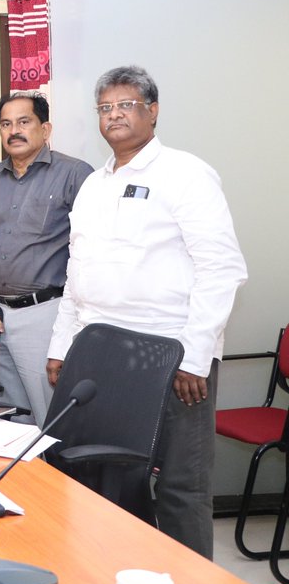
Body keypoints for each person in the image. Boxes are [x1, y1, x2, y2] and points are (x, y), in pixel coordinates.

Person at [46, 66, 246, 558]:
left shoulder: (185, 173)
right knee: (103, 474)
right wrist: (60, 347)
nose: (114, 115)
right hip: (101, 352)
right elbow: (78, 273)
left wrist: (195, 358)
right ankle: (116, 573)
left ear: (153, 111)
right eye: (105, 108)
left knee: (180, 487)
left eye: (126, 105)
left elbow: (221, 269)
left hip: (171, 355)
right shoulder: (94, 185)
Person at [0, 92, 93, 427]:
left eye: (24, 122)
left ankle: (57, 480)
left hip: (45, 315)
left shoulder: (75, 174)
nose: (13, 131)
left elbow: (92, 252)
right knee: (9, 418)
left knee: (51, 420)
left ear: (45, 129)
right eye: (6, 124)